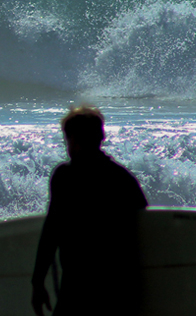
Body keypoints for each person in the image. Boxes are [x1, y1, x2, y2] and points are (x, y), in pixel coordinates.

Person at [31, 106, 148, 316]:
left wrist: (37, 282)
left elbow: (52, 231)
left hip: (77, 287)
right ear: (101, 137)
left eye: (67, 140)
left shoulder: (66, 177)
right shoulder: (123, 179)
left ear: (73, 140)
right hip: (119, 290)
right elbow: (146, 227)